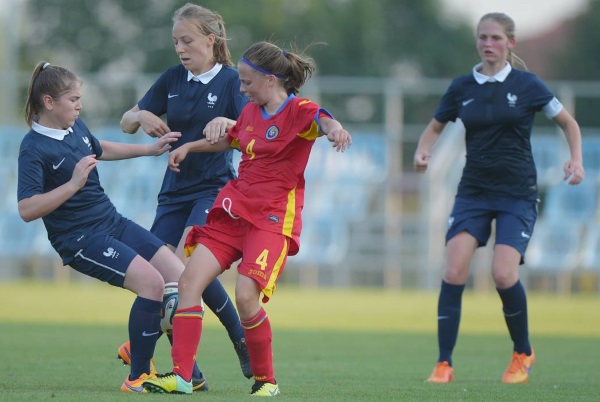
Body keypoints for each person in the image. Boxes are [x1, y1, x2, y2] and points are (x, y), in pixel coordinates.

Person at [141, 41, 352, 396]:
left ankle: (266, 381)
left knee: (245, 295)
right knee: (189, 281)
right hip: (234, 211)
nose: (241, 89)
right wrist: (190, 146)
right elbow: (232, 140)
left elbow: (322, 117)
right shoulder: (251, 112)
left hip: (271, 220)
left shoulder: (299, 109)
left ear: (270, 80)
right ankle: (181, 376)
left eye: (246, 82)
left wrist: (335, 130)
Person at [413, 12, 585, 384]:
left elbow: (568, 123)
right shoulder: (462, 87)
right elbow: (435, 127)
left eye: (495, 38)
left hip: (517, 194)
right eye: (482, 37)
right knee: (453, 269)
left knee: (503, 274)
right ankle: (444, 363)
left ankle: (522, 351)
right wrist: (422, 151)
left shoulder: (528, 85)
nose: (488, 44)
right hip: (473, 192)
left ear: (510, 43)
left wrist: (576, 159)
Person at [17, 61, 186, 393]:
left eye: (80, 98)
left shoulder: (75, 127)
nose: (80, 105)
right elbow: (26, 209)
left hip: (112, 220)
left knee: (177, 276)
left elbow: (100, 148)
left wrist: (148, 150)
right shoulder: (33, 148)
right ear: (49, 102)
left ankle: (152, 353)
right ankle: (138, 377)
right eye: (73, 99)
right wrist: (72, 185)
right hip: (80, 238)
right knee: (152, 284)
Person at [119, 3, 251, 389]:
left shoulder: (230, 81)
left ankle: (232, 337)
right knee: (162, 275)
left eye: (187, 40)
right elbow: (127, 122)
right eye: (176, 41)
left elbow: (245, 131)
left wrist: (229, 121)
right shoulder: (172, 78)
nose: (180, 47)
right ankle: (190, 373)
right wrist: (140, 115)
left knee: (183, 270)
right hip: (172, 193)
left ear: (211, 40)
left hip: (213, 189)